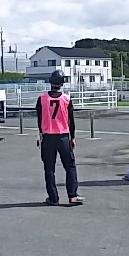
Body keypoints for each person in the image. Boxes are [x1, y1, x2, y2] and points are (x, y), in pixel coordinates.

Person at [36, 69, 84, 206]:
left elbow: (39, 120)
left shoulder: (42, 99)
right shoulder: (66, 99)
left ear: (50, 82)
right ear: (62, 83)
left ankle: (53, 198)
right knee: (70, 166)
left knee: (49, 169)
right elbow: (71, 121)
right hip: (63, 136)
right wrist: (72, 137)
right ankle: (73, 196)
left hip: (48, 136)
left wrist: (41, 135)